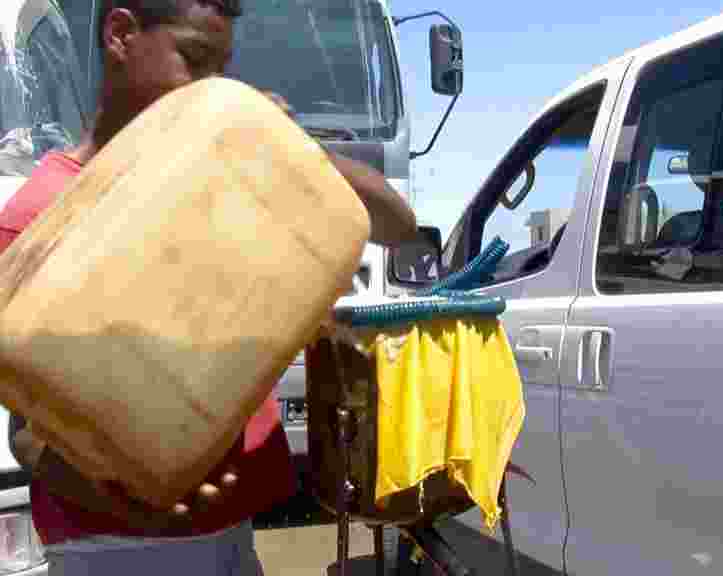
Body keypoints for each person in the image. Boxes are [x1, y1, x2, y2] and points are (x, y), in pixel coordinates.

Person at [0, 0, 417, 574]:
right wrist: (137, 504)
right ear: (121, 35)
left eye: (223, 70)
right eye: (195, 61)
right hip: (115, 551)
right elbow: (29, 426)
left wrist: (291, 139)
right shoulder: (44, 214)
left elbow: (396, 223)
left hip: (229, 534)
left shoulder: (230, 181)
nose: (214, 88)